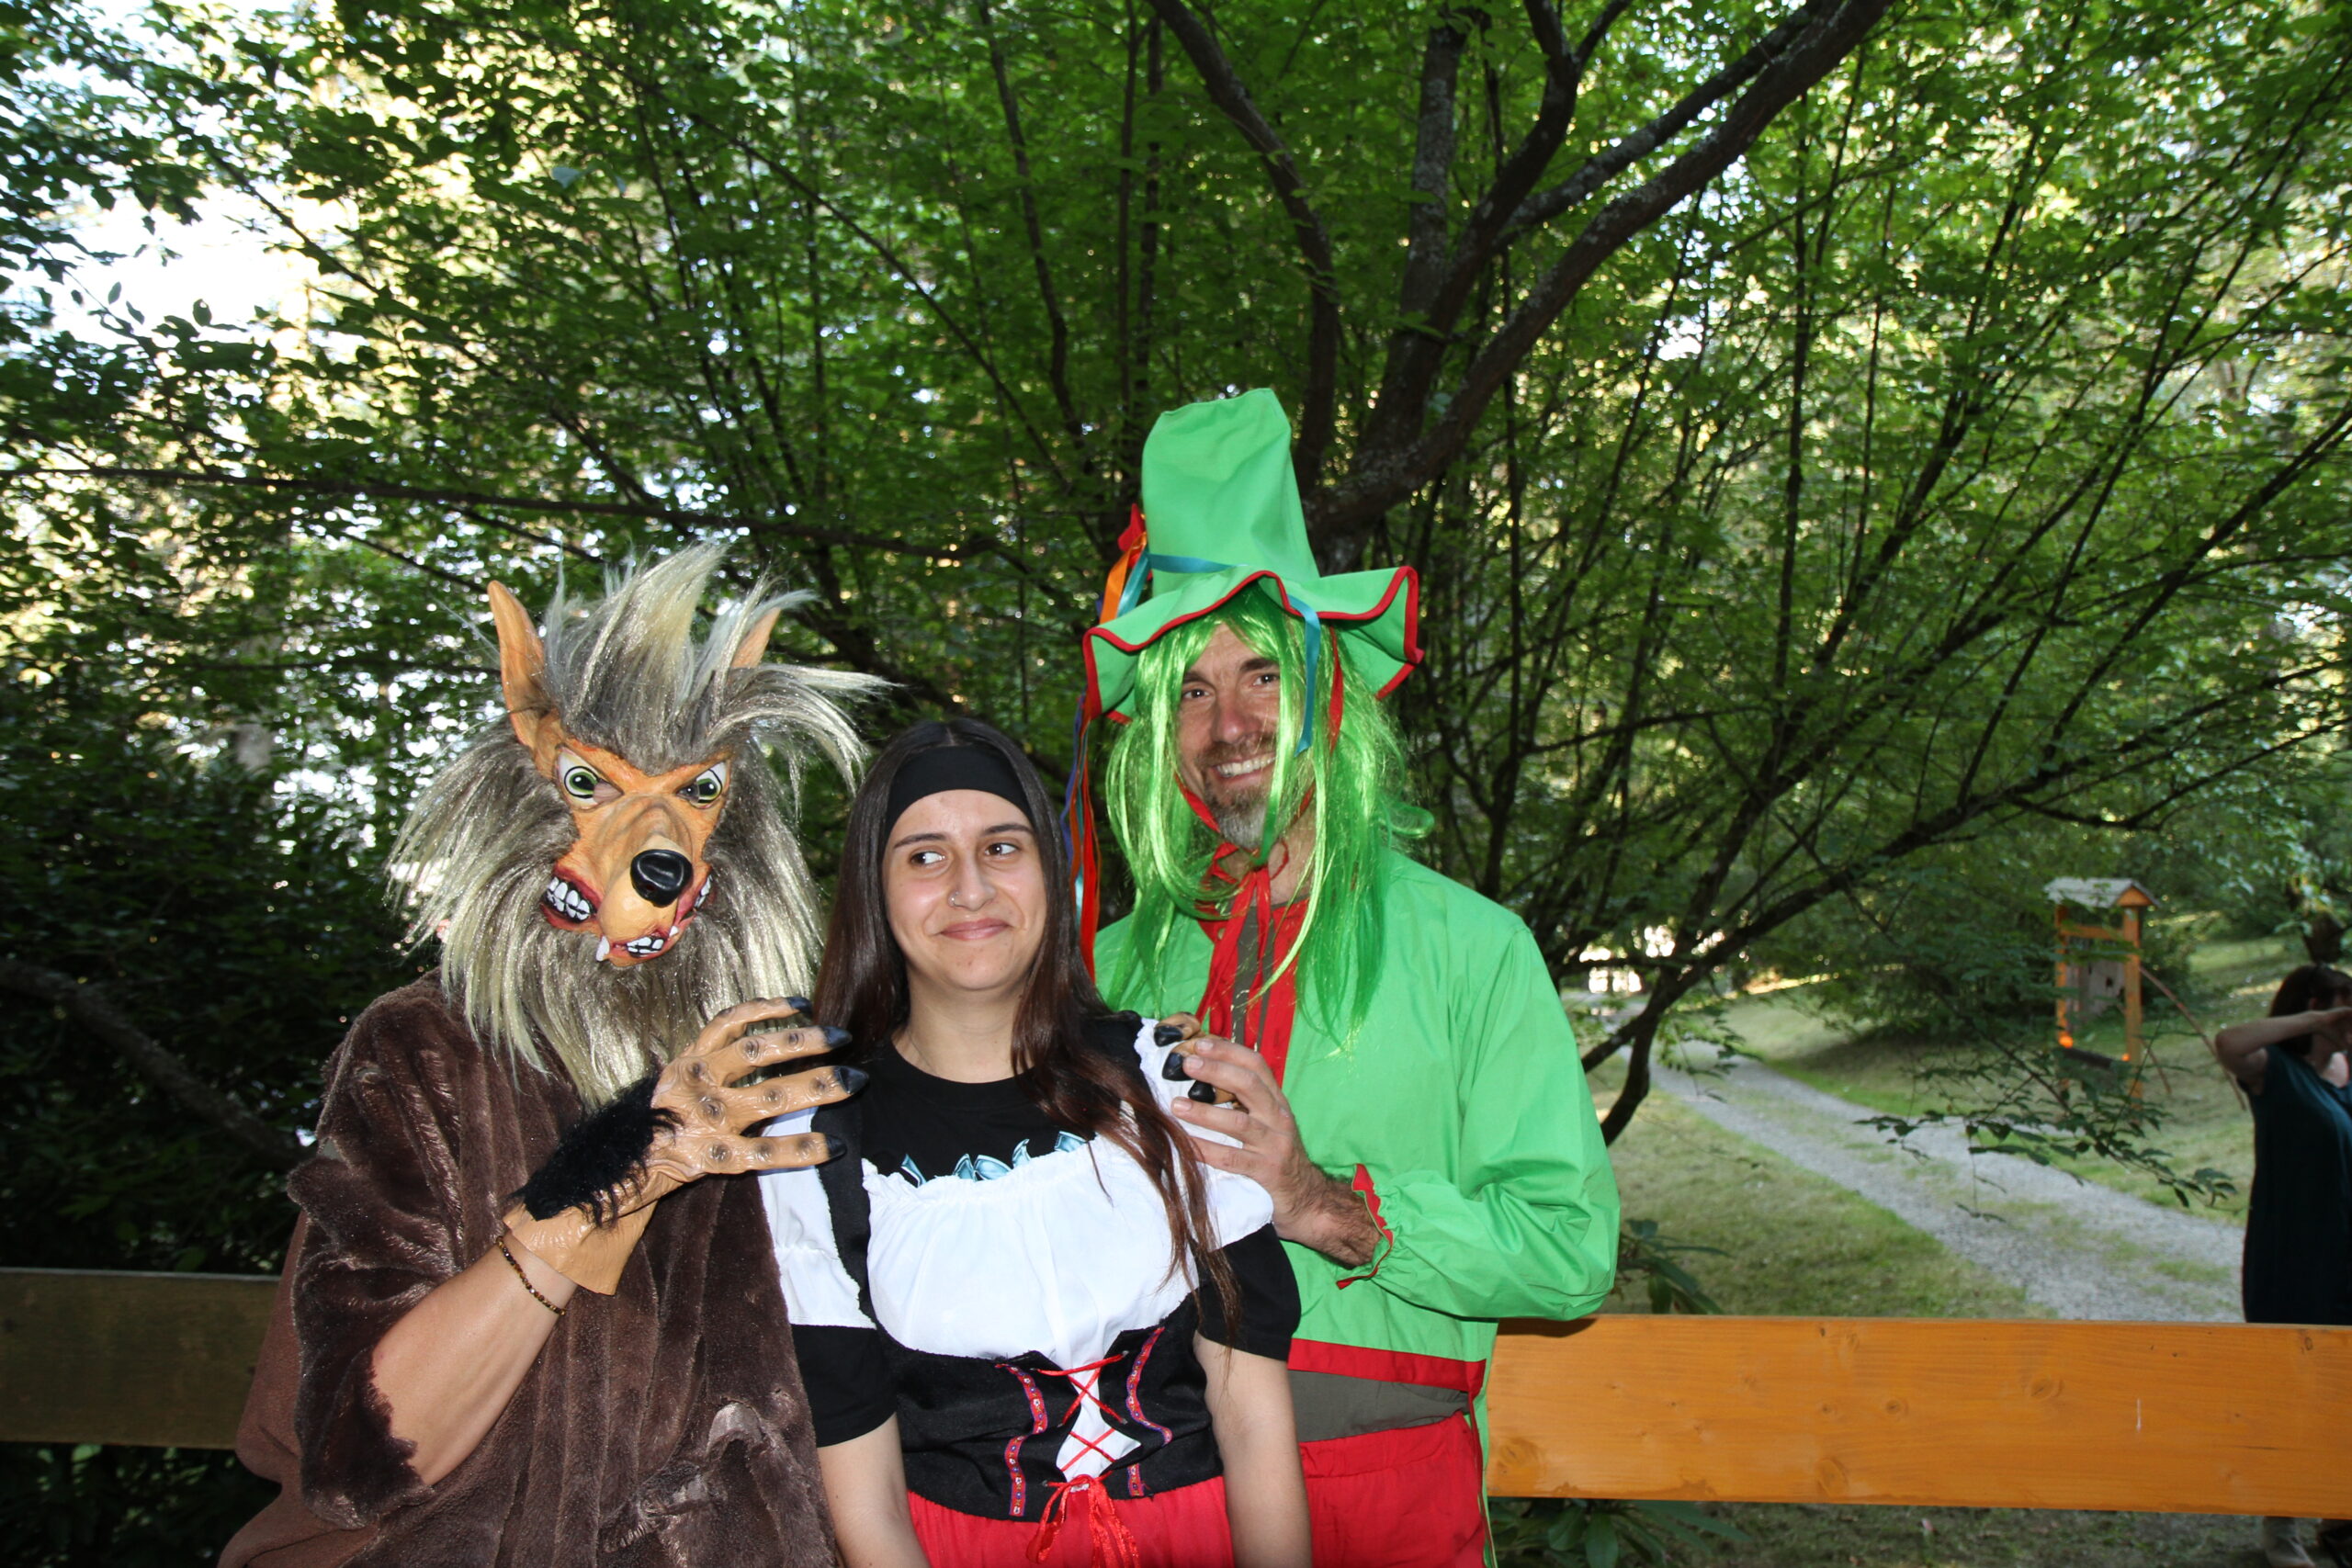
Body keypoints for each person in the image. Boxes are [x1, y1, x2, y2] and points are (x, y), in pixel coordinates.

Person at [222, 548, 873, 1567]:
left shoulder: (777, 1073)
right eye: (588, 785)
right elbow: (360, 1458)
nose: (657, 841)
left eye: (699, 791)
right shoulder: (427, 1050)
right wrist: (598, 1189)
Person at [1074, 389, 1622, 1568]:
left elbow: (1569, 1254)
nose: (1230, 724)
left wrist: (1323, 1203)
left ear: (1328, 694)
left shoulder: (1472, 948)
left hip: (1388, 1503)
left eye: (1263, 676)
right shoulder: (1105, 970)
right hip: (1145, 1500)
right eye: (1193, 690)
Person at [759, 718, 1310, 1568]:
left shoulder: (1165, 1081)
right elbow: (865, 1505)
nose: (971, 888)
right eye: (925, 856)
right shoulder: (819, 1142)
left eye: (1002, 847)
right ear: (875, 890)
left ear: (1050, 870)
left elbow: (1252, 1413)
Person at [2213, 963, 2352, 1568]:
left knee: (2345, 1388)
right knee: (2291, 1387)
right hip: (2294, 1252)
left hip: (2346, 1252)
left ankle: (2340, 1516)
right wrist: (2318, 1022)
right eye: (2343, 1005)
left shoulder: (2347, 1072)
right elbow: (2228, 1042)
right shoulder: (2274, 1071)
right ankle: (2281, 1525)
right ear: (2313, 1006)